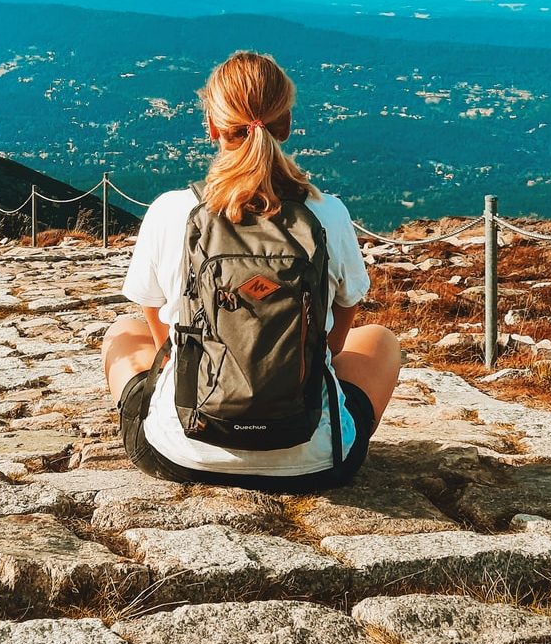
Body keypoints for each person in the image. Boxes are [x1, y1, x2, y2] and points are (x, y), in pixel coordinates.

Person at [102, 50, 401, 491]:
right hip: (314, 459)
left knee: (122, 332)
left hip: (183, 450)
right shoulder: (327, 215)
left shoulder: (171, 211)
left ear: (212, 126)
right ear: (286, 125)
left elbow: (166, 342)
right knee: (380, 341)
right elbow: (334, 342)